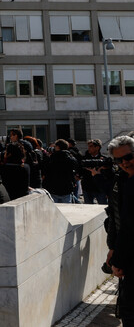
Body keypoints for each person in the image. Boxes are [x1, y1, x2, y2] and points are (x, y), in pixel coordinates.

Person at [106, 135, 134, 326]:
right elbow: (117, 221)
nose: (125, 163)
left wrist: (118, 260)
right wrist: (113, 248)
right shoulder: (122, 180)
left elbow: (129, 227)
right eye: (119, 160)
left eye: (129, 157)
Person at [42, 139, 79, 204]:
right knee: (66, 209)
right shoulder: (70, 158)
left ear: (58, 147)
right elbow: (75, 169)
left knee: (55, 209)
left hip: (53, 188)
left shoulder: (51, 159)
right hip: (66, 188)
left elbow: (46, 171)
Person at [80, 139, 107, 205]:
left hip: (100, 188)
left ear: (97, 147)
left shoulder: (103, 160)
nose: (89, 148)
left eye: (91, 146)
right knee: (88, 208)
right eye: (88, 146)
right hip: (87, 187)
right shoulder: (84, 159)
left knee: (102, 207)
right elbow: (80, 170)